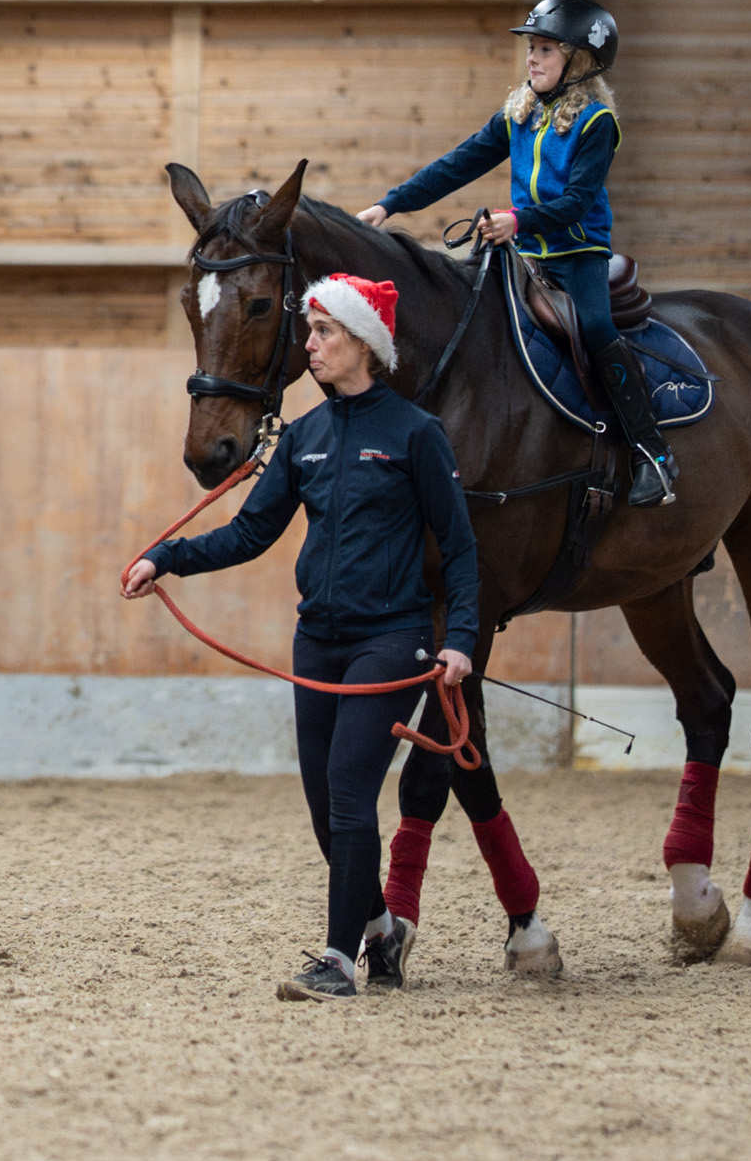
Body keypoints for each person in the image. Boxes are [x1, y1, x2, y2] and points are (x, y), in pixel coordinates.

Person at [122, 274, 485, 1002]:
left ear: (363, 343)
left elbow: (460, 546)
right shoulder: (304, 437)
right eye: (311, 331)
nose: (309, 345)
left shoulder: (416, 433)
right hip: (317, 640)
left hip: (393, 640)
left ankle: (338, 961)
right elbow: (250, 532)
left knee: (350, 793)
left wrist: (464, 638)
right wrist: (168, 557)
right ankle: (381, 929)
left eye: (324, 332)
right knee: (327, 810)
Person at [355, 0, 677, 507]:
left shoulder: (597, 123)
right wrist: (389, 205)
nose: (532, 59)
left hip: (577, 255)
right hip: (522, 254)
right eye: (531, 48)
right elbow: (458, 164)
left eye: (545, 49)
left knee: (596, 328)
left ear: (579, 60)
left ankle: (651, 452)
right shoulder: (519, 113)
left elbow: (576, 202)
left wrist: (517, 220)